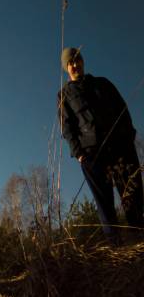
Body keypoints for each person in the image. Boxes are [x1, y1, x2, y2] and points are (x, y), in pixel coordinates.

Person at [59, 47, 143, 243]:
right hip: (92, 155)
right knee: (105, 204)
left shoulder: (102, 83)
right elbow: (67, 127)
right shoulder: (64, 95)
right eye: (70, 63)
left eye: (77, 60)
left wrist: (129, 135)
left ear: (82, 61)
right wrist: (79, 154)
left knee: (133, 195)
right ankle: (116, 247)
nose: (75, 65)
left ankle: (140, 240)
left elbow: (122, 108)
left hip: (121, 147)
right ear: (66, 68)